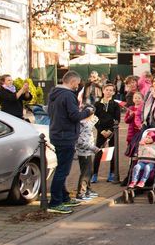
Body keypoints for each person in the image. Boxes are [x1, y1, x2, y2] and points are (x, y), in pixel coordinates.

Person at [47, 71, 94, 214]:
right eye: (77, 83)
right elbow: (74, 116)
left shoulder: (54, 93)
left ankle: (64, 197)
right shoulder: (68, 95)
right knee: (63, 170)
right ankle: (55, 202)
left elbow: (50, 112)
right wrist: (88, 112)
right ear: (73, 82)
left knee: (61, 167)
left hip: (56, 133)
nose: (78, 86)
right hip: (65, 136)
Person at [91, 83, 121, 183]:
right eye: (107, 89)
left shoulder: (115, 105)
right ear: (103, 90)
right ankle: (94, 174)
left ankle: (112, 173)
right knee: (99, 152)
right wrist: (101, 130)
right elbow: (94, 119)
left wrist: (110, 130)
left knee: (112, 152)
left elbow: (117, 119)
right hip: (101, 132)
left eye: (111, 90)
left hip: (112, 132)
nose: (108, 92)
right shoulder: (97, 104)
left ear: (113, 92)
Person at [75, 114, 100, 201]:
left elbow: (95, 119)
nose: (93, 117)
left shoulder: (88, 124)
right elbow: (80, 141)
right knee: (85, 173)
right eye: (91, 115)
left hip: (87, 151)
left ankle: (87, 190)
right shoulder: (83, 125)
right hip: (84, 152)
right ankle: (81, 193)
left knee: (90, 171)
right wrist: (93, 148)